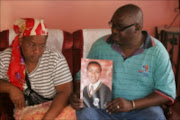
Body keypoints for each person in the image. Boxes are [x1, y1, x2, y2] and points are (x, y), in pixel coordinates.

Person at [70, 4, 176, 120]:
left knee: (156, 115)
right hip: (104, 109)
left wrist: (132, 104)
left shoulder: (157, 52)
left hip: (142, 110)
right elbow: (81, 78)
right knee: (86, 114)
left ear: (137, 27)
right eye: (112, 25)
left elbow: (166, 93)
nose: (114, 31)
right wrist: (77, 95)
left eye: (120, 27)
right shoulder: (100, 46)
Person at [0, 18, 75, 119]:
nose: (37, 51)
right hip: (27, 110)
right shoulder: (7, 58)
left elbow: (65, 92)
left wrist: (47, 118)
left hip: (56, 108)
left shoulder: (55, 58)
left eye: (42, 46)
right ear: (21, 40)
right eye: (32, 45)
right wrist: (10, 88)